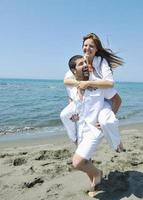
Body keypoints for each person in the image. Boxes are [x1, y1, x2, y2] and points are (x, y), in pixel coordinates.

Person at [62, 33, 124, 197]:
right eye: (85, 45)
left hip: (93, 128)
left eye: (91, 46)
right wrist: (79, 86)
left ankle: (98, 173)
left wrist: (89, 83)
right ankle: (94, 180)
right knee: (84, 160)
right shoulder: (73, 81)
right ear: (74, 71)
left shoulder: (99, 81)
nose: (84, 64)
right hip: (81, 127)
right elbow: (67, 83)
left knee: (78, 161)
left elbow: (116, 98)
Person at [61, 55, 122, 151]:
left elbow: (113, 91)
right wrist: (74, 109)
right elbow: (68, 87)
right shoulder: (71, 77)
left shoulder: (98, 68)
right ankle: (76, 143)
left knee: (106, 121)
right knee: (64, 115)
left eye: (85, 62)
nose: (85, 64)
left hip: (102, 102)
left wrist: (89, 83)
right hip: (82, 108)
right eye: (81, 63)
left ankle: (117, 144)